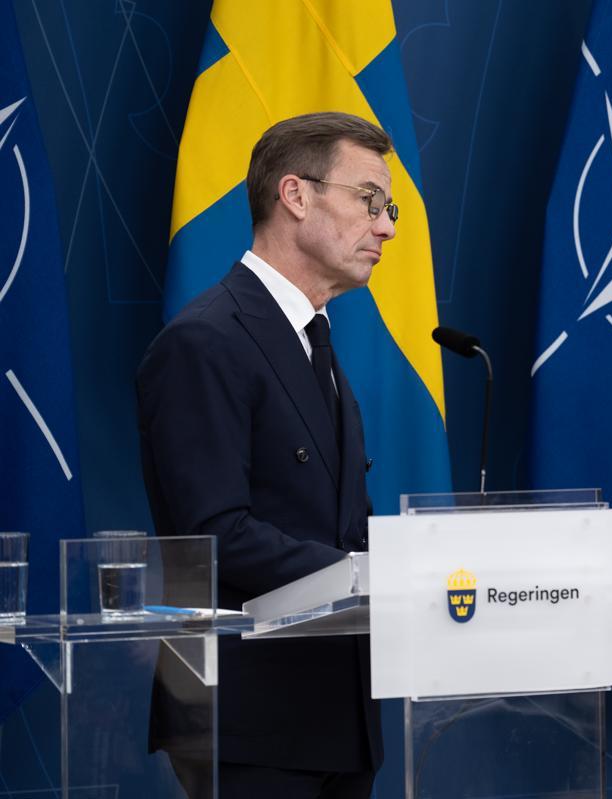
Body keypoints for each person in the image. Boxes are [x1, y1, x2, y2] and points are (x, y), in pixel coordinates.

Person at [137, 111, 399, 798]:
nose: (387, 227)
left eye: (389, 207)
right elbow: (214, 536)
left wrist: (426, 570)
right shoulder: (205, 341)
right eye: (370, 200)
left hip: (341, 719)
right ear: (296, 195)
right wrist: (382, 576)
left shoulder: (319, 342)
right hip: (252, 723)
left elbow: (336, 522)